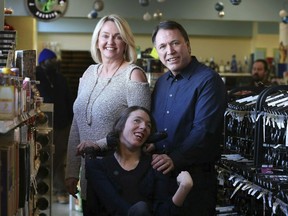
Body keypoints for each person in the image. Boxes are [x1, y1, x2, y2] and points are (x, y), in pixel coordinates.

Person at [65, 14, 151, 215]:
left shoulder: (133, 75)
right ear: (97, 41)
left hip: (120, 175)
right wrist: (71, 170)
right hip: (91, 175)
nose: (110, 42)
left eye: (117, 36)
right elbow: (76, 124)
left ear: (125, 42)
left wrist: (98, 145)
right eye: (105, 36)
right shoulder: (88, 73)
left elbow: (141, 129)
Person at [147, 20, 227, 215]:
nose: (170, 51)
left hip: (196, 180)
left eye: (175, 43)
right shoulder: (162, 83)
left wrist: (174, 158)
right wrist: (151, 144)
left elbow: (205, 131)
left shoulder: (209, 80)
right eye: (162, 46)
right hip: (161, 177)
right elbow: (158, 126)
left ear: (188, 45)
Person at [85, 106, 193, 216]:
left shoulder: (156, 164)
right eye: (137, 120)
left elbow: (164, 212)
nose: (143, 127)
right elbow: (101, 208)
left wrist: (184, 188)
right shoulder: (97, 167)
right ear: (121, 126)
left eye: (148, 125)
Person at [36, 48, 73, 204]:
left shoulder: (60, 78)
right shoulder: (35, 76)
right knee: (41, 156)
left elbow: (69, 99)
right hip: (42, 124)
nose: (55, 62)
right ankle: (39, 189)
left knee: (59, 158)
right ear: (44, 62)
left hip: (62, 124)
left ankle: (60, 190)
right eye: (52, 60)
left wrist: (71, 119)